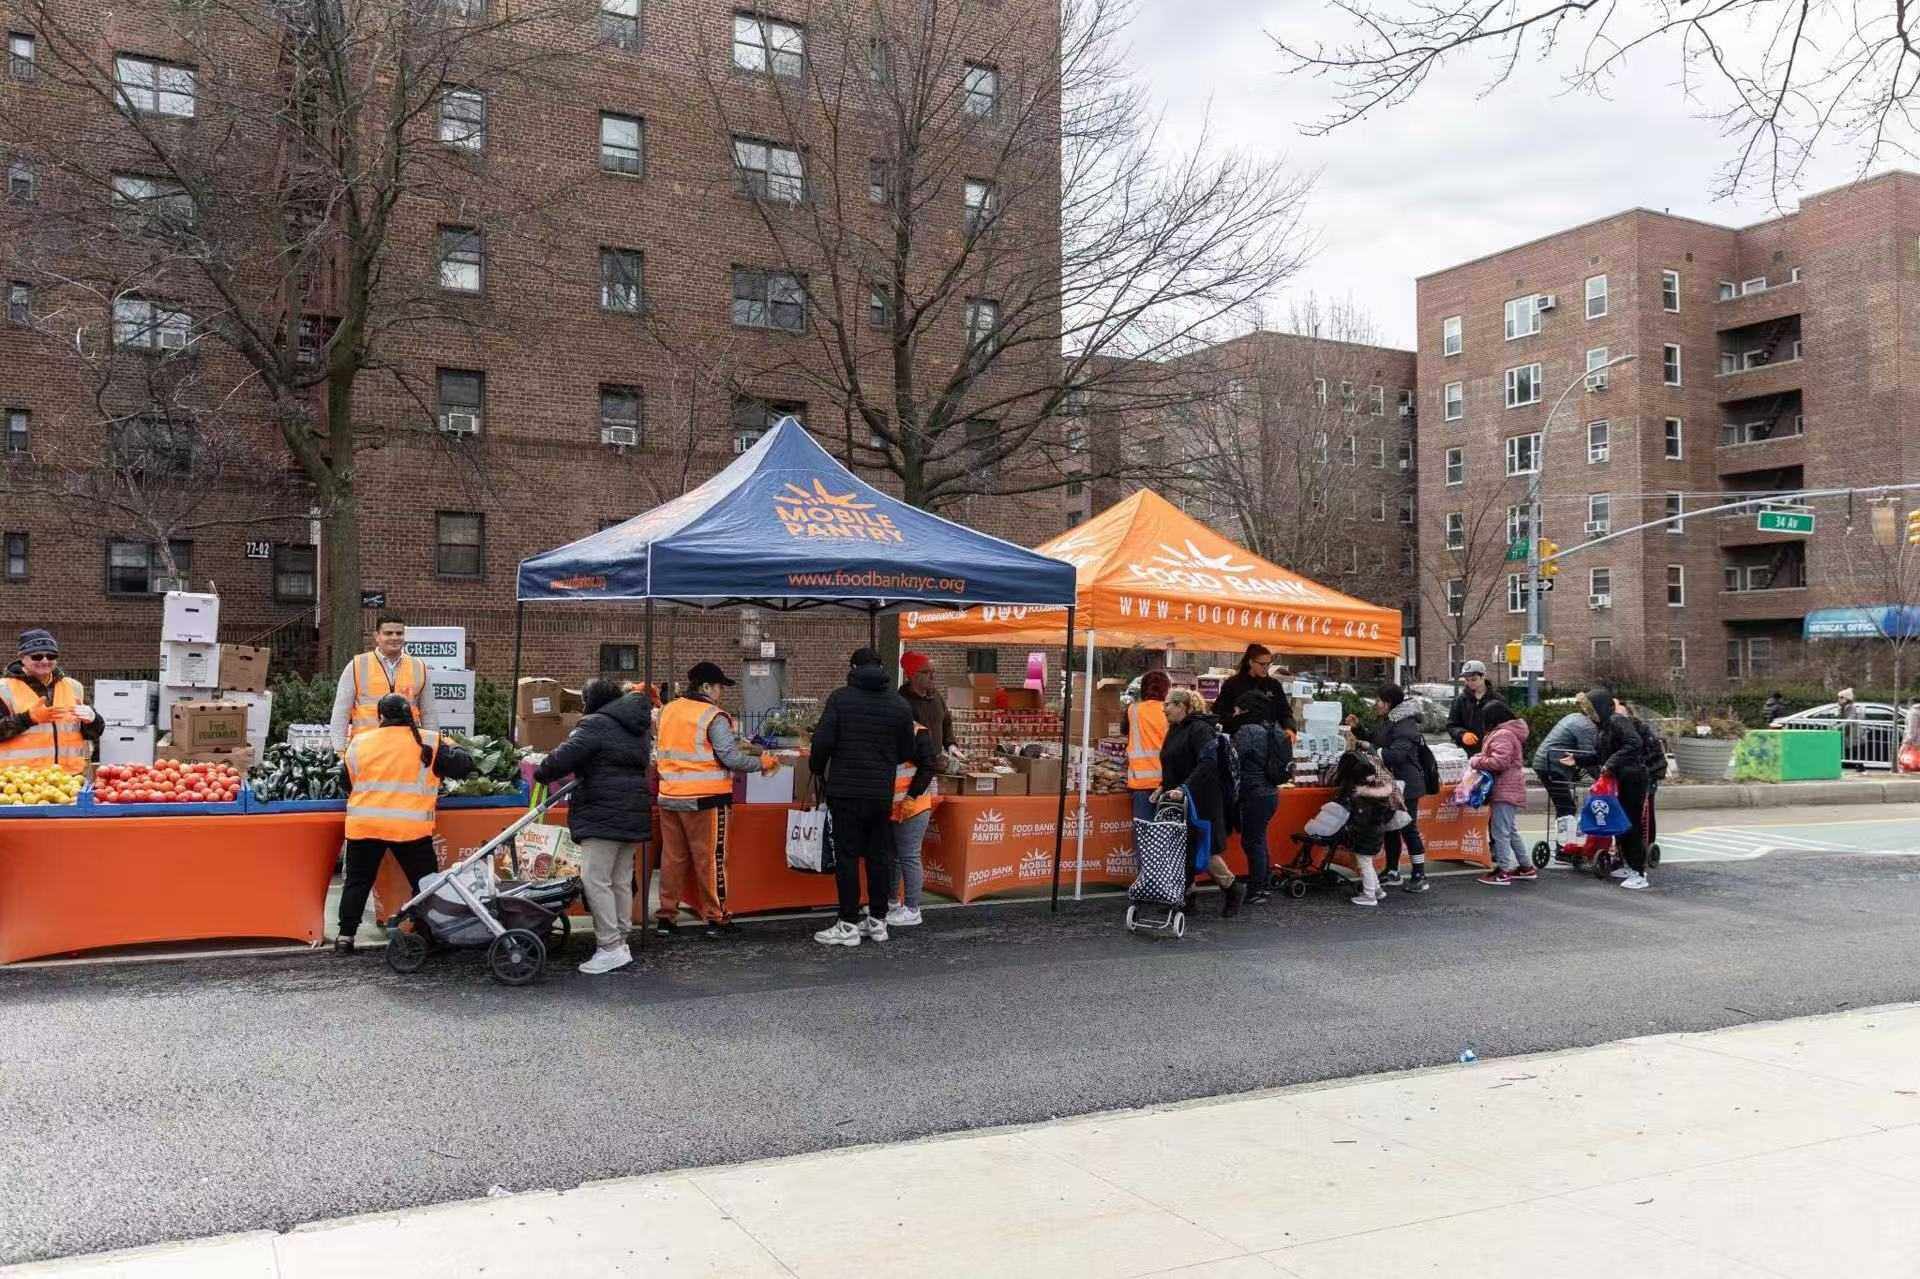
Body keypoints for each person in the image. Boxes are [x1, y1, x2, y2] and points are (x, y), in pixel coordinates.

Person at [531, 678, 653, 974]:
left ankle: (609, 947)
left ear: (592, 700)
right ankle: (620, 940)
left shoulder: (595, 725)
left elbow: (560, 760)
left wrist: (541, 772)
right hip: (632, 811)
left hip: (602, 812)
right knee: (620, 879)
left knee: (595, 879)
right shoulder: (637, 727)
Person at [336, 695, 474, 955]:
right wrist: (452, 743)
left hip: (365, 825)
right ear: (411, 714)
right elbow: (464, 765)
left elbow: (345, 782)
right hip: (410, 828)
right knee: (425, 883)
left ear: (380, 717)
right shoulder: (430, 741)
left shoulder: (359, 742)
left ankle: (345, 936)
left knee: (358, 881)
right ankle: (425, 932)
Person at [653, 662, 776, 938]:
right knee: (711, 859)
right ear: (706, 687)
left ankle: (666, 918)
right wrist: (762, 763)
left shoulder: (668, 710)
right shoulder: (713, 715)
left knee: (673, 860)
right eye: (720, 687)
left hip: (670, 795)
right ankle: (717, 917)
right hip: (706, 799)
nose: (721, 692)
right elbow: (729, 757)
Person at [809, 648, 919, 947]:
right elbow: (907, 751)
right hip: (881, 791)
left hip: (845, 790)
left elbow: (822, 741)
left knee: (847, 857)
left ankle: (847, 923)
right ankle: (878, 921)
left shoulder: (840, 698)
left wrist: (817, 768)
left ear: (853, 667)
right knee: (879, 856)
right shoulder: (898, 703)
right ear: (881, 667)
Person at [1156, 687, 1245, 917]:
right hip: (1180, 797)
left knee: (1205, 850)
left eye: (1168, 704)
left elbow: (1207, 764)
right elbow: (1173, 763)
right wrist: (1163, 786)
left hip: (1201, 799)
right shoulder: (1175, 729)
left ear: (1182, 706)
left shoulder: (1200, 729)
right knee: (1182, 848)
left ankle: (1232, 888)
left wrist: (1184, 788)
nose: (1164, 709)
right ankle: (1187, 897)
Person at [1357, 683, 1430, 892]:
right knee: (1391, 828)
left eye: (1379, 700)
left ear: (1388, 703)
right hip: (1392, 783)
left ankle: (1419, 874)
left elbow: (1396, 754)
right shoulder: (1390, 720)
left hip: (1407, 784)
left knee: (1408, 828)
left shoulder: (1405, 724)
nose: (1376, 704)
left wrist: (1372, 749)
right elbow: (1377, 738)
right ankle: (1392, 871)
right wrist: (1358, 730)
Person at [0, 629, 103, 774]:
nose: (45, 661)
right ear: (22, 657)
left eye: (51, 656)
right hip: (21, 780)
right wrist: (27, 719)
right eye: (36, 656)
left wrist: (93, 720)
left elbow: (93, 734)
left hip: (69, 777)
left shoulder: (74, 687)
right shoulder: (3, 689)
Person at [329, 615, 435, 750]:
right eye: (388, 633)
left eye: (399, 633)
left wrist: (432, 748)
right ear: (377, 636)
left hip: (406, 749)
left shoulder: (418, 667)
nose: (394, 637)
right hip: (367, 748)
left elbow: (429, 713)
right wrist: (338, 749)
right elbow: (341, 712)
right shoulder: (357, 665)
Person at [1581, 689, 1651, 891]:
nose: (1589, 714)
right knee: (1620, 823)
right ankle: (1629, 865)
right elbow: (1601, 756)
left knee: (1630, 824)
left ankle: (1638, 871)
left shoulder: (1616, 721)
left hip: (1631, 778)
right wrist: (1577, 759)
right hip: (1622, 777)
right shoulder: (1604, 726)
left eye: (1591, 709)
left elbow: (1634, 743)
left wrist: (1610, 763)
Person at [1230, 689, 1292, 903]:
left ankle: (1256, 889)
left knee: (1252, 842)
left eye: (1237, 709)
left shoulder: (1247, 731)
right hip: (1270, 792)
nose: (1235, 713)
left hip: (1253, 793)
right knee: (1259, 839)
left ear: (1246, 710)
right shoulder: (1274, 728)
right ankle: (1263, 884)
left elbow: (1233, 759)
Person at [1469, 700, 1533, 885]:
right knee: (1509, 830)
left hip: (1504, 787)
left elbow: (1500, 762)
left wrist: (1476, 761)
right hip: (1510, 786)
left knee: (1500, 831)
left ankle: (1503, 871)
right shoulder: (1509, 732)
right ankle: (1525, 867)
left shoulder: (1503, 734)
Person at [886, 722, 939, 928]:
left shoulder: (918, 732)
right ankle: (892, 902)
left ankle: (912, 908)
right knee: (894, 856)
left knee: (908, 856)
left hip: (912, 805)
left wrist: (911, 796)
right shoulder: (894, 728)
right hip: (894, 804)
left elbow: (928, 766)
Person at [1328, 750, 1392, 907]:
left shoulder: (1361, 796)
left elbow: (1358, 819)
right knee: (1367, 862)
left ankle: (1369, 895)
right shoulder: (1378, 791)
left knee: (1365, 863)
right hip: (1375, 831)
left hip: (1365, 833)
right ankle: (1377, 890)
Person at [1531, 694, 1600, 842]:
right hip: (1552, 765)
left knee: (1564, 805)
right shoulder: (1586, 727)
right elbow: (1588, 756)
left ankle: (1563, 842)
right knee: (1566, 807)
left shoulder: (1574, 717)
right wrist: (1600, 778)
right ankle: (1564, 844)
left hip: (1546, 761)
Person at [1213, 644, 1296, 735]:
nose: (1266, 668)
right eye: (1262, 664)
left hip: (1268, 736)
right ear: (1251, 662)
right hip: (1238, 736)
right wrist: (1236, 715)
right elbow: (1218, 712)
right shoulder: (1232, 684)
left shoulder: (1274, 685)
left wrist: (1289, 728)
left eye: (1268, 664)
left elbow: (1285, 712)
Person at [898, 651, 959, 767]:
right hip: (911, 767)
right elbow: (903, 740)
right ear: (912, 675)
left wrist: (951, 745)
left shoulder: (936, 697)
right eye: (926, 672)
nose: (932, 677)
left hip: (934, 765)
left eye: (933, 672)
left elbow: (946, 722)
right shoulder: (901, 702)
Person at [1126, 670, 1171, 824]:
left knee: (1143, 832)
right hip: (1167, 781)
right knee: (1167, 831)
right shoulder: (1170, 711)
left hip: (1140, 781)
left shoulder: (1133, 710)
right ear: (1166, 689)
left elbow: (1124, 730)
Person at [1447, 660, 1493, 750]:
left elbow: (1506, 725)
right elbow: (1451, 725)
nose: (1470, 683)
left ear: (1483, 676)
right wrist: (1462, 734)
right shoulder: (1460, 701)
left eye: (1474, 679)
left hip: (1492, 749)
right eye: (1467, 680)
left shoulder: (1496, 699)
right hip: (1467, 750)